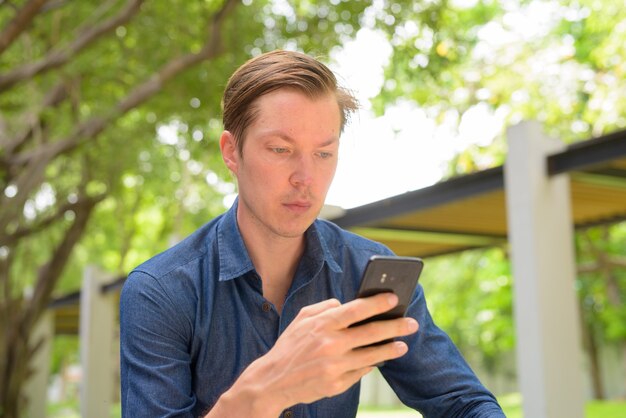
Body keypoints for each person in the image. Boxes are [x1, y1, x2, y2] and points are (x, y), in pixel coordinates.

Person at [120, 49, 505, 418]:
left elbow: (461, 404)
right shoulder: (160, 292)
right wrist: (271, 387)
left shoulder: (366, 270)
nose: (306, 179)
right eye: (280, 149)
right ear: (232, 153)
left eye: (323, 153)